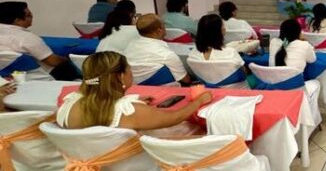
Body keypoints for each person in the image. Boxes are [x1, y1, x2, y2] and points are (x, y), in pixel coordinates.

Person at [57, 51, 212, 130]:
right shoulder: (128, 111)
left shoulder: (69, 103)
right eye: (129, 67)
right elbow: (175, 118)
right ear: (120, 76)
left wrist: (135, 104)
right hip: (130, 167)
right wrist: (199, 101)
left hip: (96, 168)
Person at [0, 1, 76, 80]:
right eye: (28, 15)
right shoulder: (27, 38)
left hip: (5, 76)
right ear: (17, 20)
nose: (32, 16)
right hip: (37, 76)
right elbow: (53, 61)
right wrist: (68, 59)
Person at [124, 14, 191, 84]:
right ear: (159, 31)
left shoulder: (130, 45)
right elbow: (186, 80)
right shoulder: (166, 54)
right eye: (164, 26)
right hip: (165, 90)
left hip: (133, 86)